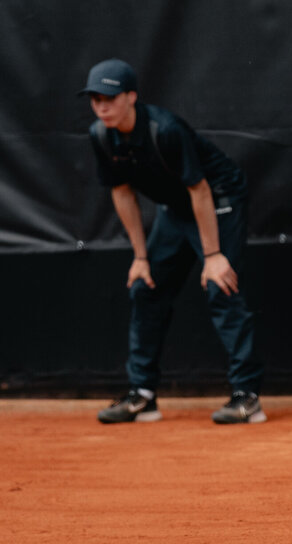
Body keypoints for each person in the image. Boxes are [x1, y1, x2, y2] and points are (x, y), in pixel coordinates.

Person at [80, 58, 266, 424]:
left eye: (109, 98)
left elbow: (200, 190)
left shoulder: (165, 129)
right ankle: (143, 396)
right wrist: (140, 257)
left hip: (218, 199)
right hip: (176, 209)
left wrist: (213, 255)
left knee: (221, 285)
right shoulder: (100, 136)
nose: (101, 107)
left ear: (131, 97)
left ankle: (247, 397)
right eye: (95, 99)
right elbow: (122, 193)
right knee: (145, 287)